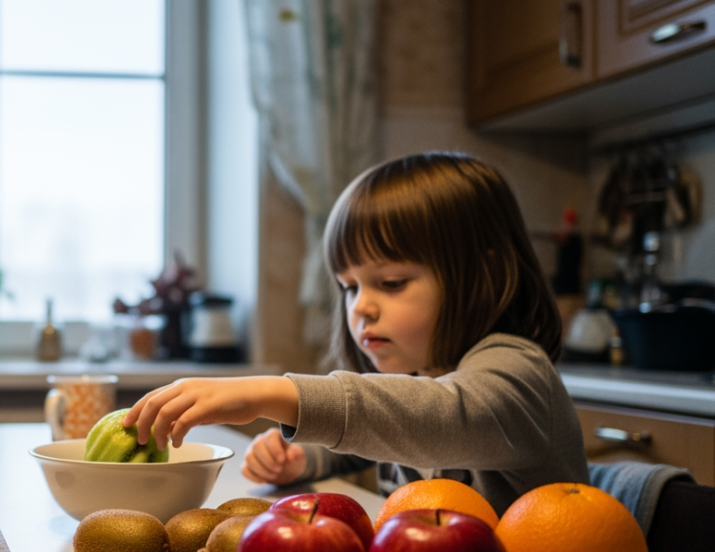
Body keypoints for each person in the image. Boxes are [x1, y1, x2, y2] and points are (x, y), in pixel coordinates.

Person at [125, 152, 589, 515]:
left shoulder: (518, 371)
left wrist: (274, 394)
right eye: (349, 287)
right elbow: (376, 447)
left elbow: (444, 418)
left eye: (391, 283)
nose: (361, 306)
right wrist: (306, 461)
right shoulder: (421, 370)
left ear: (481, 274)